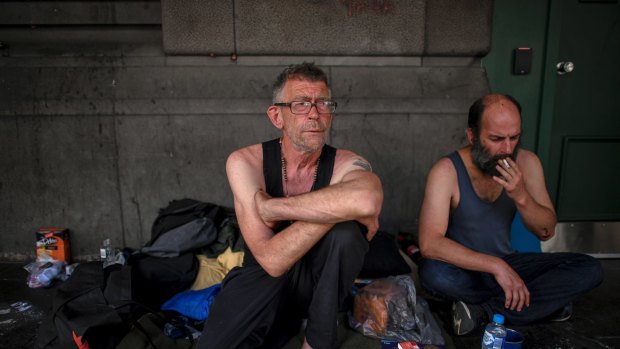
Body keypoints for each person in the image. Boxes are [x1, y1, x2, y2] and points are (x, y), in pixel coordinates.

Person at [198, 62, 383, 349]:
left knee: (346, 235)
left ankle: (318, 339)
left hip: (320, 283)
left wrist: (274, 208)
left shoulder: (347, 161)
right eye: (300, 104)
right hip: (260, 279)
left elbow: (367, 198)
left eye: (323, 103)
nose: (314, 113)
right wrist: (340, 207)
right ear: (277, 116)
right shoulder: (245, 161)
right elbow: (272, 262)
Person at [415, 94, 603, 335]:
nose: (507, 149)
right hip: (464, 267)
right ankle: (538, 304)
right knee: (433, 274)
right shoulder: (446, 170)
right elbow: (430, 244)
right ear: (472, 136)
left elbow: (546, 231)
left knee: (589, 268)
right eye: (496, 139)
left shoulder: (527, 162)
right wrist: (496, 266)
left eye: (514, 138)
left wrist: (521, 196)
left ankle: (481, 312)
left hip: (510, 262)